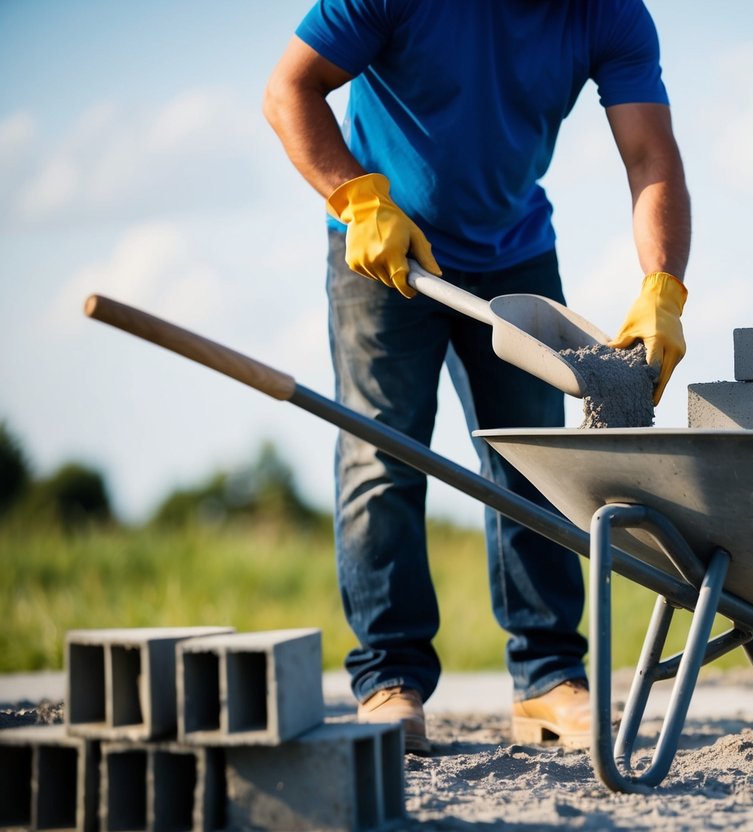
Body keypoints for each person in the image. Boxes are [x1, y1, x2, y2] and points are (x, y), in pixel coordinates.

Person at [263, 0, 691, 754]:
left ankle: (549, 681)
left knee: (532, 465)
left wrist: (662, 288)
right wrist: (355, 197)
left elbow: (650, 157)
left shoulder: (609, 13)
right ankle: (388, 681)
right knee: (380, 457)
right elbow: (289, 90)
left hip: (515, 255)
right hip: (386, 253)